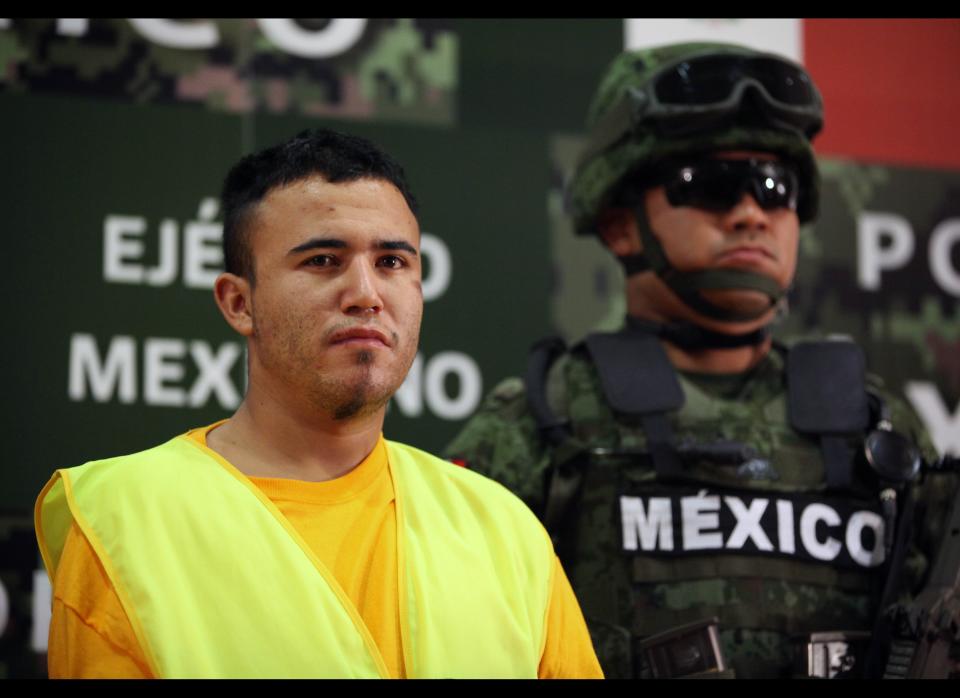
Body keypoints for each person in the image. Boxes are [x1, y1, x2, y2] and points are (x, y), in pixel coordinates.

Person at [444, 42, 956, 679]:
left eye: (777, 188)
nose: (751, 214)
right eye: (710, 186)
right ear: (619, 221)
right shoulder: (542, 427)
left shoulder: (881, 431)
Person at [35, 129, 603, 679]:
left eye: (392, 262)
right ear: (238, 302)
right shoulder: (123, 521)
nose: (366, 294)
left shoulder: (502, 529)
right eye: (324, 261)